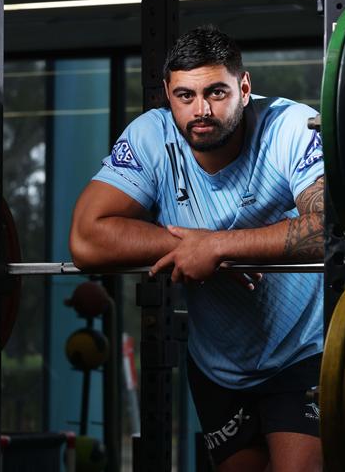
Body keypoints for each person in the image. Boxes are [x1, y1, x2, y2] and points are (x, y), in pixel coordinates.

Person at [70, 25, 324, 472]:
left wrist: (219, 246)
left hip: (301, 352)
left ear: (244, 88)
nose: (201, 110)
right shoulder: (152, 137)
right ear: (168, 93)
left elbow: (329, 230)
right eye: (185, 96)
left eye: (216, 92)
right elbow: (87, 239)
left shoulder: (289, 126)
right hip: (218, 366)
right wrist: (203, 250)